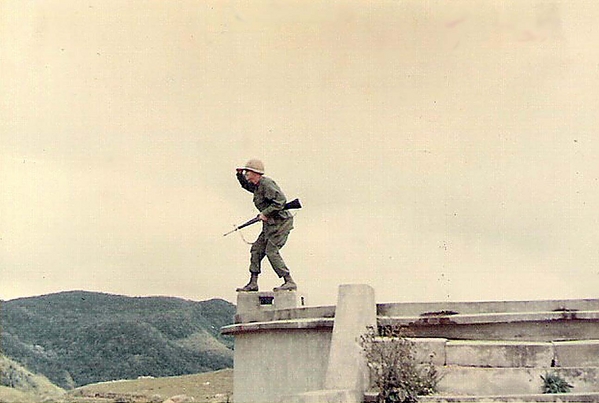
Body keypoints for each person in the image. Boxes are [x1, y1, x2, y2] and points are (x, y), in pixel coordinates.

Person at [235, 159, 297, 292]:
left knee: (271, 251)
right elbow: (246, 186)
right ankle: (253, 283)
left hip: (281, 224)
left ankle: (289, 280)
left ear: (256, 173)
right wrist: (239, 176)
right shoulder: (257, 186)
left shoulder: (266, 184)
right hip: (270, 225)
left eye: (248, 172)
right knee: (256, 249)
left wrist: (266, 213)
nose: (246, 174)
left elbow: (280, 201)